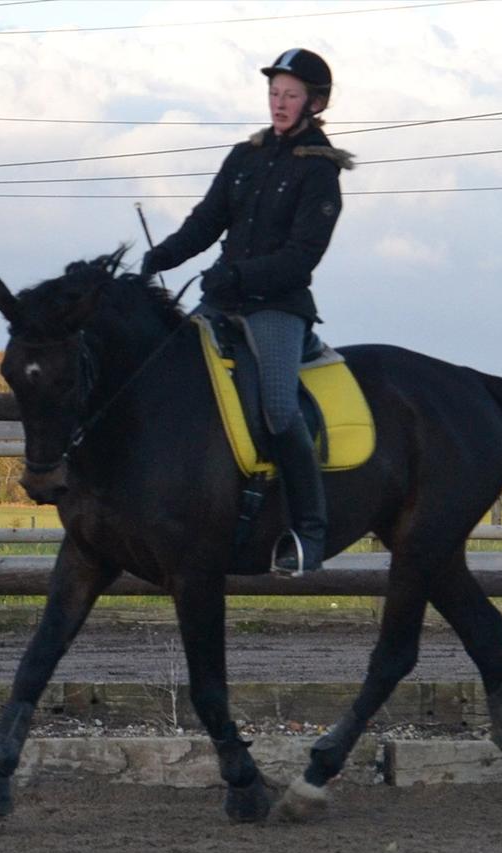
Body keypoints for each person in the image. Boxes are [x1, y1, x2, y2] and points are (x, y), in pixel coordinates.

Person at [140, 48, 353, 576]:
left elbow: (302, 256)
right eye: (274, 94)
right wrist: (157, 257)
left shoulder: (321, 174)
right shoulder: (245, 156)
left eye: (290, 96)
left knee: (278, 408)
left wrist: (237, 275)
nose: (279, 104)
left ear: (315, 103)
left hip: (277, 308)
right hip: (221, 302)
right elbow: (205, 222)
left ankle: (309, 533)